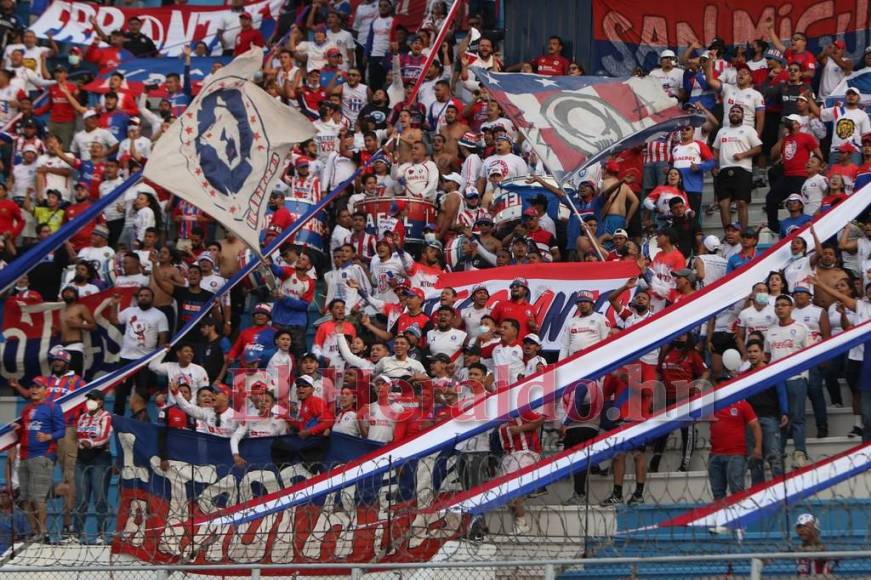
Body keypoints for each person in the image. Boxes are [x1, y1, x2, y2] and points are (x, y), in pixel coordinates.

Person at [107, 287, 170, 415]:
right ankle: (116, 418)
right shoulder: (129, 311)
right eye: (141, 295)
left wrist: (156, 358)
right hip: (126, 358)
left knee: (142, 393)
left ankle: (140, 419)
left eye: (146, 295)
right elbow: (114, 321)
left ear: (152, 298)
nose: (143, 298)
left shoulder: (160, 315)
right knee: (121, 391)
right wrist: (115, 304)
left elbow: (163, 338)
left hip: (145, 360)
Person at [16, 378, 65, 542]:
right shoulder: (26, 409)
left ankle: (43, 531)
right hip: (24, 456)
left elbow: (61, 431)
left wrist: (48, 436)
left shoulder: (53, 407)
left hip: (43, 455)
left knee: (38, 496)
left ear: (46, 389)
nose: (34, 389)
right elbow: (25, 431)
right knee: (25, 497)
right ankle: (34, 530)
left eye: (38, 387)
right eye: (32, 386)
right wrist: (18, 429)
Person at [766, 294, 811, 466]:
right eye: (777, 305)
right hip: (777, 381)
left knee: (797, 417)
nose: (780, 308)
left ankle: (800, 452)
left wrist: (804, 376)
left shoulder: (802, 328)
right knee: (780, 419)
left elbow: (810, 353)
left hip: (796, 378)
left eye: (784, 305)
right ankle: (780, 454)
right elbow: (768, 355)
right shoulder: (770, 331)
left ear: (791, 308)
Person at [712, 104, 763, 229]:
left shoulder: (748, 130)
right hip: (724, 170)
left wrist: (743, 154)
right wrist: (715, 165)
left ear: (743, 115)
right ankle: (728, 233)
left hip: (743, 169)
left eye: (738, 111)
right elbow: (716, 150)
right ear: (728, 115)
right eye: (732, 111)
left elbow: (758, 148)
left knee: (741, 203)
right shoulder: (722, 131)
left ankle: (743, 233)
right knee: (724, 204)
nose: (734, 113)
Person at [73, 390, 112, 544]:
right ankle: (77, 534)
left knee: (100, 498)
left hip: (100, 458)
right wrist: (82, 443)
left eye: (93, 399)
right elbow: (78, 436)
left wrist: (91, 443)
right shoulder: (82, 417)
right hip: (81, 459)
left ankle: (101, 534)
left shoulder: (106, 416)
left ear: (100, 402)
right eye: (88, 399)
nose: (89, 401)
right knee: (81, 499)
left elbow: (105, 436)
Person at [708, 398, 761, 500]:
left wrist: (758, 447)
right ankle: (721, 515)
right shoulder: (711, 404)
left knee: (737, 493)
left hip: (736, 455)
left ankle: (739, 515)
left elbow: (755, 425)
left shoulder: (742, 403)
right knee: (718, 495)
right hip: (715, 455)